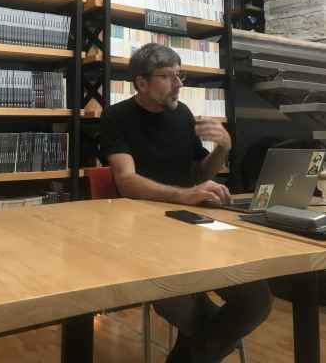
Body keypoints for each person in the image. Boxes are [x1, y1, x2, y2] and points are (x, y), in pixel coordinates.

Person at [100, 43, 272, 363]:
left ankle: (189, 355)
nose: (178, 84)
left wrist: (222, 149)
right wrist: (185, 194)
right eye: (168, 76)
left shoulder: (182, 114)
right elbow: (126, 181)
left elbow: (200, 173)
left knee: (257, 300)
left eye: (180, 75)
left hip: (192, 223)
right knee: (176, 302)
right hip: (142, 232)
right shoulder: (116, 116)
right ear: (141, 83)